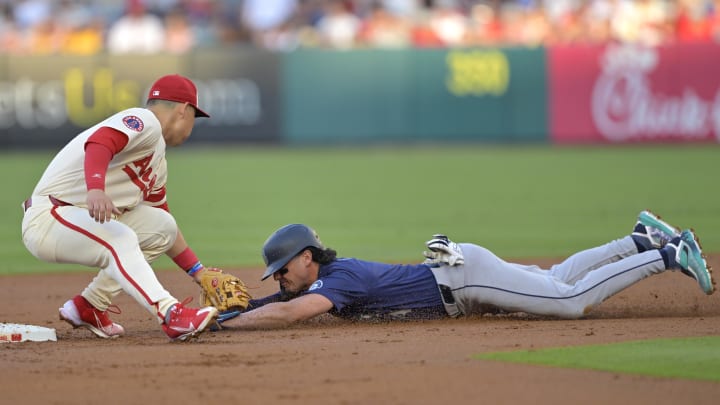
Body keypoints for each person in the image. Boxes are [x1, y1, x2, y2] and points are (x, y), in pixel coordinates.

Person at [220, 211, 714, 330]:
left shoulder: (338, 280)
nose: (279, 279)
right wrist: (224, 314)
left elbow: (293, 313)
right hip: (461, 274)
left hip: (463, 279)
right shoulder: (325, 276)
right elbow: (280, 304)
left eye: (282, 270)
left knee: (569, 301)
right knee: (558, 277)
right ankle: (638, 239)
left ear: (307, 258)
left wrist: (232, 326)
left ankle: (667, 257)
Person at [21, 74, 221, 341]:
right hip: (50, 216)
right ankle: (170, 314)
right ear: (184, 110)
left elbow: (163, 224)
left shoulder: (158, 161)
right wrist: (96, 188)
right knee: (121, 237)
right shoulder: (146, 121)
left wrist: (198, 271)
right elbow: (101, 141)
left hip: (75, 218)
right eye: (194, 119)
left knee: (161, 227)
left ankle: (90, 306)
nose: (191, 128)